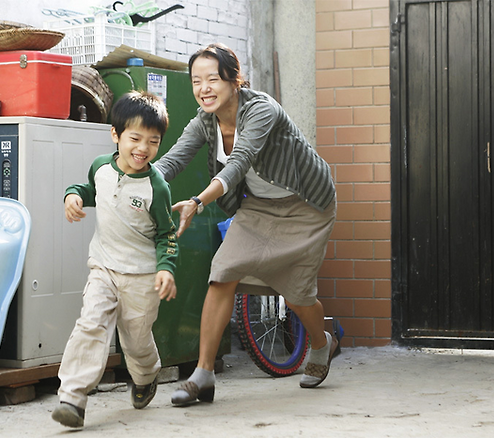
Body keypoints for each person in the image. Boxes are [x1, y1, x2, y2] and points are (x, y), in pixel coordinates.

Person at [153, 43, 337, 405]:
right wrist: (135, 183)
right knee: (222, 271)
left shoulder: (261, 109)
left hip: (307, 206)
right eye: (196, 81)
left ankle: (322, 342)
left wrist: (197, 202)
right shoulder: (204, 122)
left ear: (234, 80)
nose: (204, 88)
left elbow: (239, 162)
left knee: (297, 293)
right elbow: (172, 161)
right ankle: (202, 375)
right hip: (260, 209)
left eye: (212, 79)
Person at [52, 91, 178, 428]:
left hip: (142, 277)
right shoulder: (101, 168)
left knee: (135, 342)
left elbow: (167, 235)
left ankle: (147, 375)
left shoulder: (157, 188)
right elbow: (87, 187)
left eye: (153, 141)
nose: (143, 148)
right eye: (135, 138)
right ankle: (72, 398)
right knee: (91, 323)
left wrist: (166, 270)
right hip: (104, 268)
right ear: (115, 135)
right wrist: (73, 196)